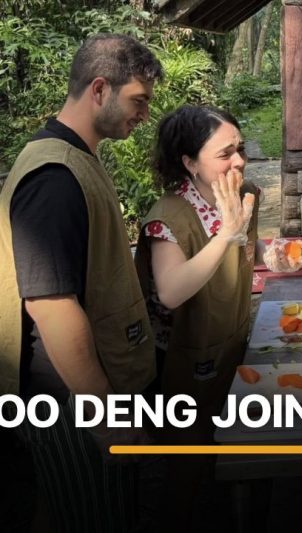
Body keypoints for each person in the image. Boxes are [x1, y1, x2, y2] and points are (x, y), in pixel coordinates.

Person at [0, 34, 162, 531]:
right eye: (138, 100)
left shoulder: (77, 159)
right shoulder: (54, 176)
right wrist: (107, 413)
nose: (144, 114)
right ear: (99, 89)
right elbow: (51, 305)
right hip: (68, 400)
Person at [134, 104, 279, 529]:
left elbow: (242, 255)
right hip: (180, 358)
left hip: (231, 341)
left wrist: (271, 254)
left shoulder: (242, 192)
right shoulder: (169, 216)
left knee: (234, 448)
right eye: (224, 153)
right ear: (188, 162)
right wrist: (226, 233)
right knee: (187, 464)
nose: (238, 161)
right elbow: (173, 290)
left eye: (240, 149)